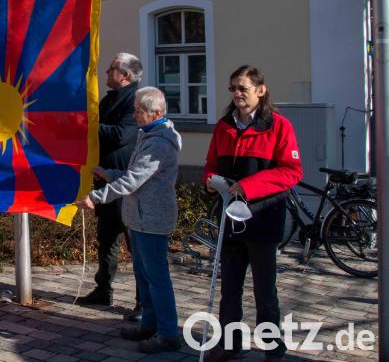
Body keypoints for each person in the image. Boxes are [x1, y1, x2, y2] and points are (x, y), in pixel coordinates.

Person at [203, 65, 302, 362]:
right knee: (229, 286)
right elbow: (210, 164)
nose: (236, 94)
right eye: (233, 88)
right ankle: (230, 343)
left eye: (242, 88)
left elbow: (291, 172)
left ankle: (273, 346)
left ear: (261, 90)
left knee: (264, 289)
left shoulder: (279, 126)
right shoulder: (223, 126)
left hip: (263, 217)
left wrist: (248, 186)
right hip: (230, 221)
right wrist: (210, 181)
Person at [77, 86, 182, 354]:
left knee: (157, 279)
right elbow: (134, 173)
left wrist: (97, 197)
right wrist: (109, 172)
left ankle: (168, 333)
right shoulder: (148, 135)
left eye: (140, 111)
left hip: (152, 219)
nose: (135, 115)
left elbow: (133, 181)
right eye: (136, 110)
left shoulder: (159, 143)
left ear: (156, 113)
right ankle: (149, 323)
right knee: (144, 276)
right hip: (140, 217)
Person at [76, 52, 142, 320]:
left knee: (135, 244)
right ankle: (103, 289)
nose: (106, 72)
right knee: (106, 238)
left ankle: (143, 302)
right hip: (105, 178)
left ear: (124, 75)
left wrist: (89, 124)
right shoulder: (109, 98)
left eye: (111, 68)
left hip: (126, 182)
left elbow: (121, 135)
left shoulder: (137, 101)